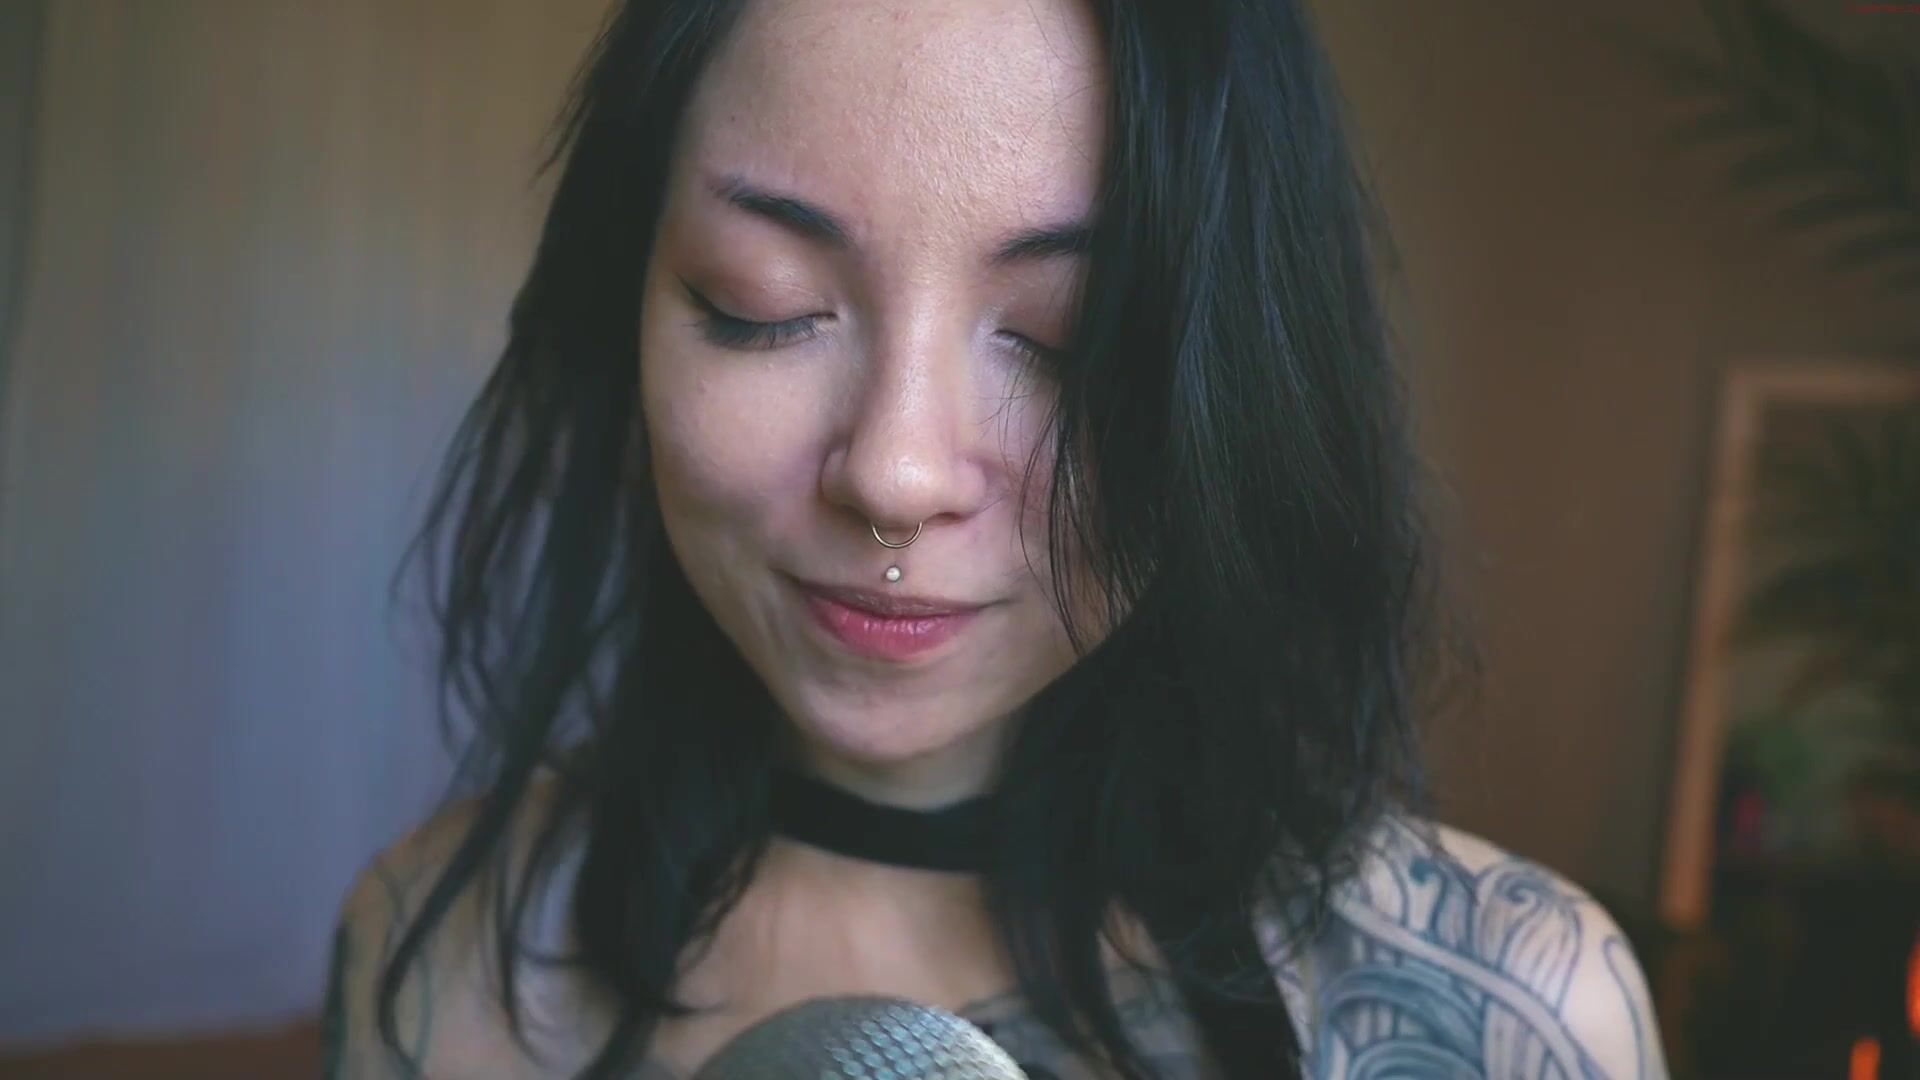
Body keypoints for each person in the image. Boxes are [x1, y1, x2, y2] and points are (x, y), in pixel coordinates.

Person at [324, 0, 1668, 1076]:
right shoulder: (436, 968)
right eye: (762, 302)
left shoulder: (1509, 1018)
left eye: (1070, 340)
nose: (895, 474)